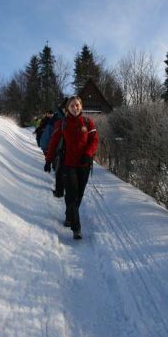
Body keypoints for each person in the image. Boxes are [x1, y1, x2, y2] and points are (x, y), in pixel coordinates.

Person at [44, 96, 99, 239]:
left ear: (81, 106)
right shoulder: (62, 124)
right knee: (72, 196)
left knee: (79, 196)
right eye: (73, 105)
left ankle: (69, 217)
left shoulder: (88, 122)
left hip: (84, 166)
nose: (76, 107)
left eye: (78, 105)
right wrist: (48, 160)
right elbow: (53, 142)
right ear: (67, 108)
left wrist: (88, 154)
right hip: (68, 165)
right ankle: (76, 229)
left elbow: (94, 140)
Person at [40, 98, 68, 197]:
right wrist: (47, 154)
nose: (68, 109)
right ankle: (59, 191)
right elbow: (47, 137)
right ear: (64, 108)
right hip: (57, 151)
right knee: (59, 170)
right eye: (67, 107)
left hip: (70, 154)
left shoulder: (76, 119)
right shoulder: (56, 119)